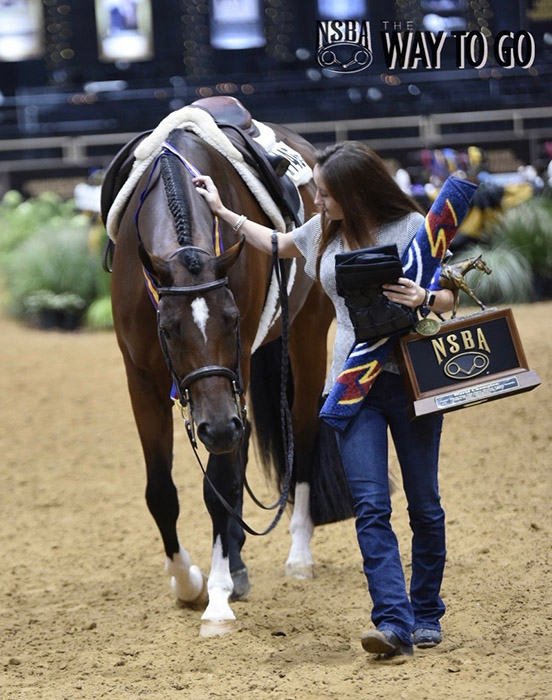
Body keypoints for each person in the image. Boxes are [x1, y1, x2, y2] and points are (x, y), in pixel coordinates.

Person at [194, 141, 455, 660]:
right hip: (352, 387)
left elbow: (449, 291)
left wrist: (425, 297)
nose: (317, 201)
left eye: (326, 193)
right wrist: (222, 210)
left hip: (410, 383)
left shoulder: (412, 229)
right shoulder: (321, 233)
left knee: (425, 505)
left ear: (355, 194)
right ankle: (393, 621)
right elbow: (274, 242)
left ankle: (426, 610)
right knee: (371, 507)